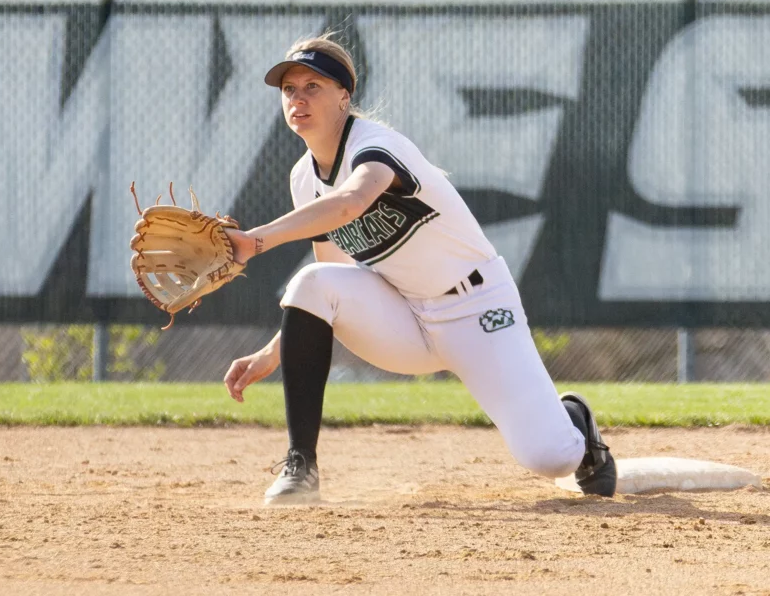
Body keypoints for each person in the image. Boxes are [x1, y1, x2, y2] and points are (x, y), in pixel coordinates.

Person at [222, 33, 617, 505]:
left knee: (550, 457)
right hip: (406, 319)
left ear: (344, 97)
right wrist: (271, 354)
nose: (298, 98)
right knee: (309, 279)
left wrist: (255, 240)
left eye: (313, 86)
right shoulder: (303, 178)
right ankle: (300, 467)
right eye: (289, 89)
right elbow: (329, 282)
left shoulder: (376, 145)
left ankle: (574, 420)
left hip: (476, 309)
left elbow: (351, 202)